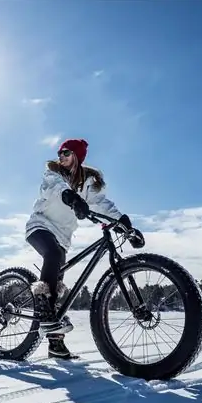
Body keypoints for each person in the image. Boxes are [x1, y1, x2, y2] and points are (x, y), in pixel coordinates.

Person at [24, 138, 134, 360]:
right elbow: (56, 189)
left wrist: (122, 220)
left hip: (62, 237)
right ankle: (43, 308)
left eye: (66, 152)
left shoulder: (86, 183)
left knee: (57, 284)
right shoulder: (52, 174)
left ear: (76, 155)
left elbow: (101, 204)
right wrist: (71, 198)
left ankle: (55, 344)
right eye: (60, 153)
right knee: (53, 256)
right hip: (40, 226)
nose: (61, 156)